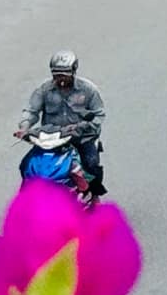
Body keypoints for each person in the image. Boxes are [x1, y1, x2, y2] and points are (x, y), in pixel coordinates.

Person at [15, 51, 106, 197]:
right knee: (26, 165)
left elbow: (99, 115)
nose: (61, 78)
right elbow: (31, 111)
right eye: (57, 75)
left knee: (91, 164)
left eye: (65, 74)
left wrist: (83, 127)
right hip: (51, 139)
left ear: (74, 71)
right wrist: (24, 128)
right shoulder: (44, 89)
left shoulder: (88, 90)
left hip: (80, 138)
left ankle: (93, 196)